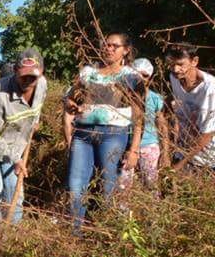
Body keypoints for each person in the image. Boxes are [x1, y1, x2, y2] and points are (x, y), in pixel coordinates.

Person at [64, 33, 143, 228]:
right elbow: (70, 98)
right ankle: (75, 234)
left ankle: (107, 232)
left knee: (108, 186)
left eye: (114, 46)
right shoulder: (88, 72)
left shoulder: (131, 76)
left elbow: (139, 115)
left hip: (113, 135)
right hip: (82, 134)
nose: (108, 48)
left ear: (126, 50)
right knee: (75, 185)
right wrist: (71, 105)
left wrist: (134, 150)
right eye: (106, 45)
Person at [0, 49, 47, 224]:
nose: (28, 81)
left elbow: (37, 107)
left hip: (14, 144)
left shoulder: (42, 84)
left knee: (14, 189)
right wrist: (15, 159)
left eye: (33, 77)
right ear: (14, 71)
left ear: (41, 72)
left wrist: (34, 121)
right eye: (23, 76)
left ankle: (13, 231)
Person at [119, 58, 168, 188]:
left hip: (149, 146)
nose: (140, 78)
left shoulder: (155, 98)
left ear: (150, 78)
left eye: (145, 75)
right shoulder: (122, 98)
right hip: (126, 146)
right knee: (123, 186)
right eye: (136, 74)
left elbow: (162, 126)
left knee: (150, 185)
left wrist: (165, 152)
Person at [167, 45, 215, 172]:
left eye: (180, 64)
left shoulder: (210, 87)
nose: (175, 69)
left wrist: (180, 164)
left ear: (194, 61)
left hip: (206, 159)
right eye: (172, 64)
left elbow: (208, 133)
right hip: (182, 150)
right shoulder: (174, 78)